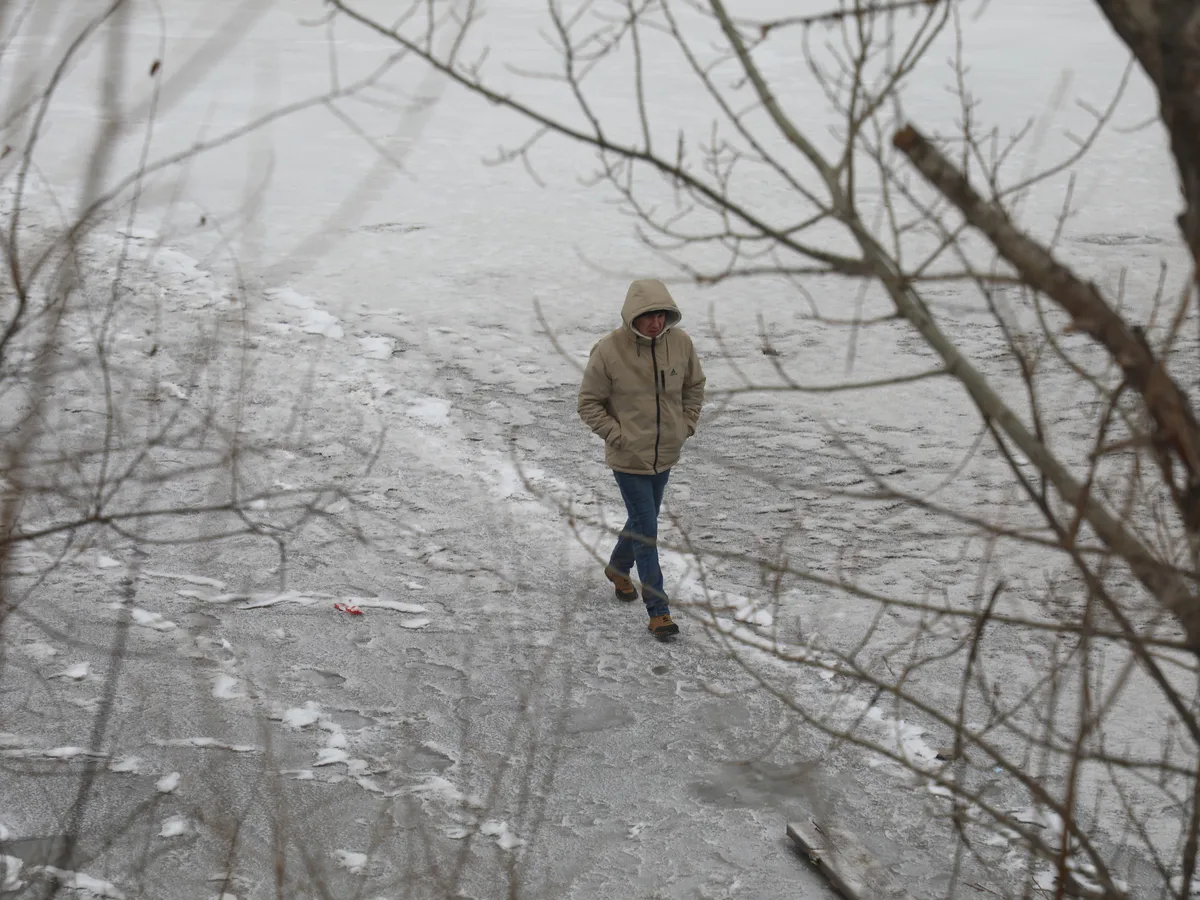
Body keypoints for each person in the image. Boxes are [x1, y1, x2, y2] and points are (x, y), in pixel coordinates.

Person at [578, 279, 706, 638]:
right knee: (647, 532)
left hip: (666, 453)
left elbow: (694, 386)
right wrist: (619, 437)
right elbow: (588, 403)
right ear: (633, 315)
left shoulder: (680, 344)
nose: (655, 323)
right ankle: (658, 611)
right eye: (648, 316)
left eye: (661, 315)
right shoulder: (608, 350)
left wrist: (686, 424)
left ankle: (618, 568)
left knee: (640, 521)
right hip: (628, 459)